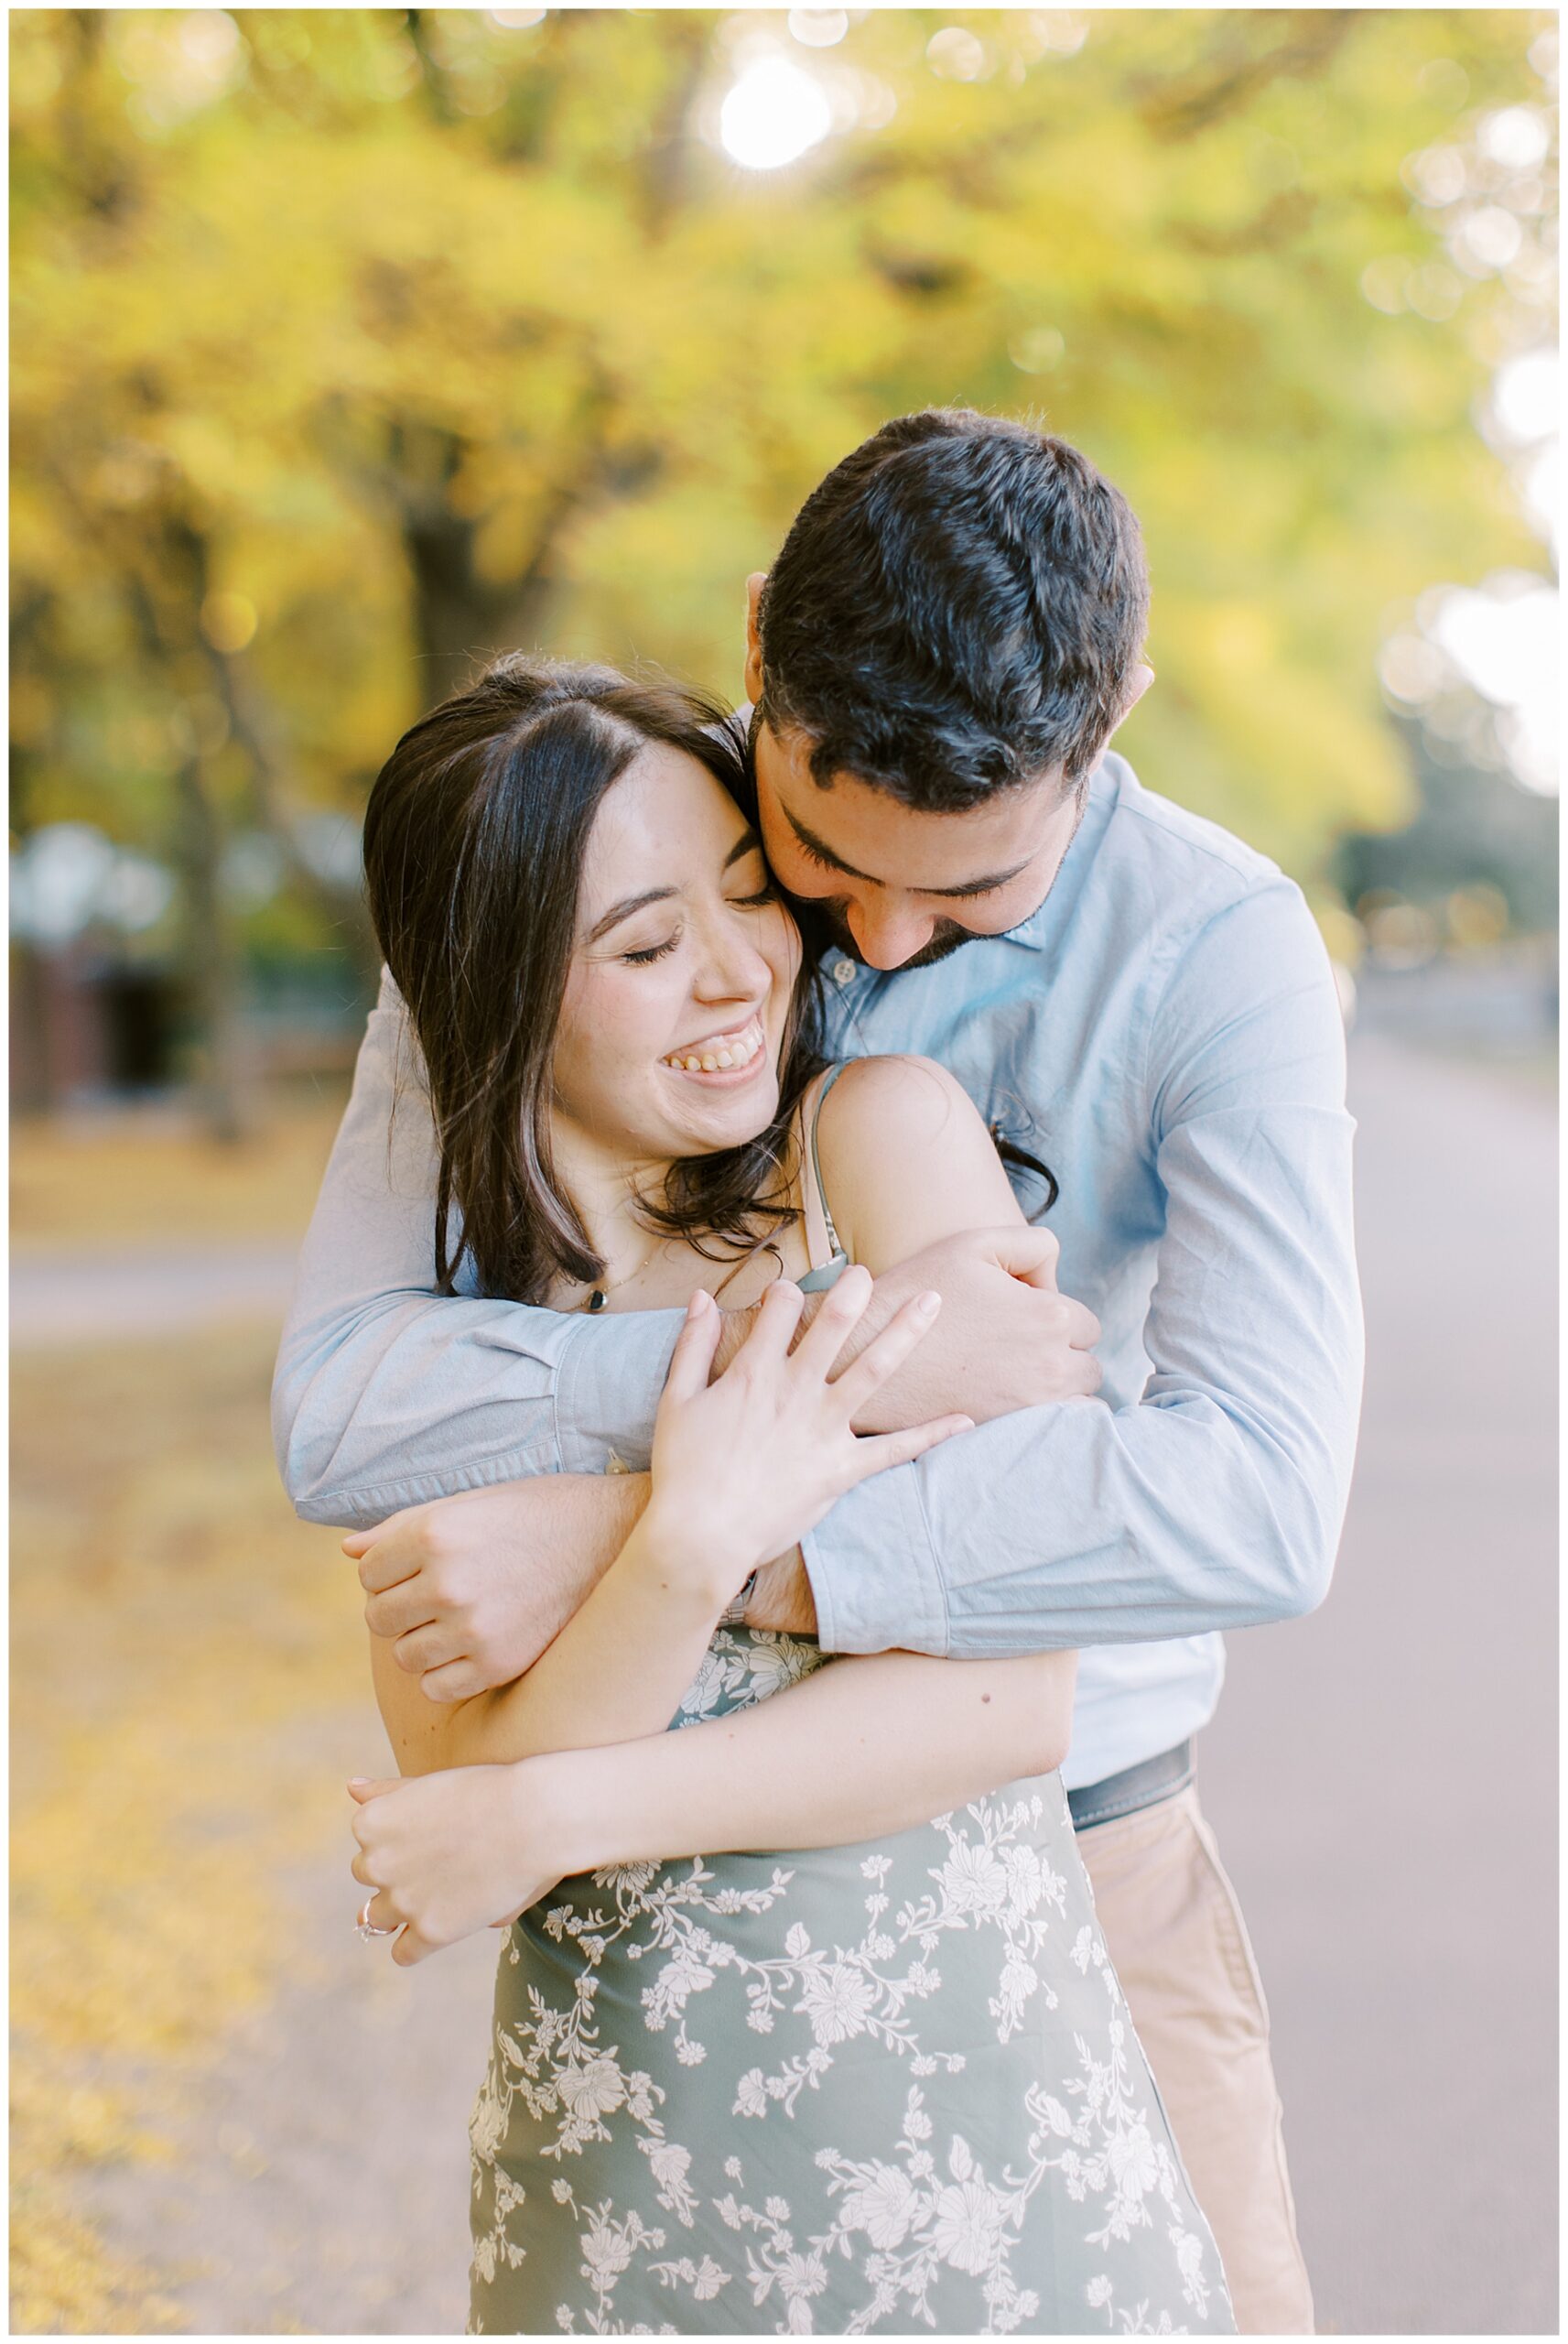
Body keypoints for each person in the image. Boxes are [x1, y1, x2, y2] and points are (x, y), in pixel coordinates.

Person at [275, 408, 1362, 2335]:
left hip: (1076, 1849)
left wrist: (675, 1521)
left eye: (968, 897)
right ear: (759, 642)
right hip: (654, 1961)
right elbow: (349, 1403)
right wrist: (857, 1367)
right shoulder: (592, 846)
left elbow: (1256, 1502)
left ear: (1106, 727)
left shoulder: (1216, 953)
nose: (856, 941)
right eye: (823, 858)